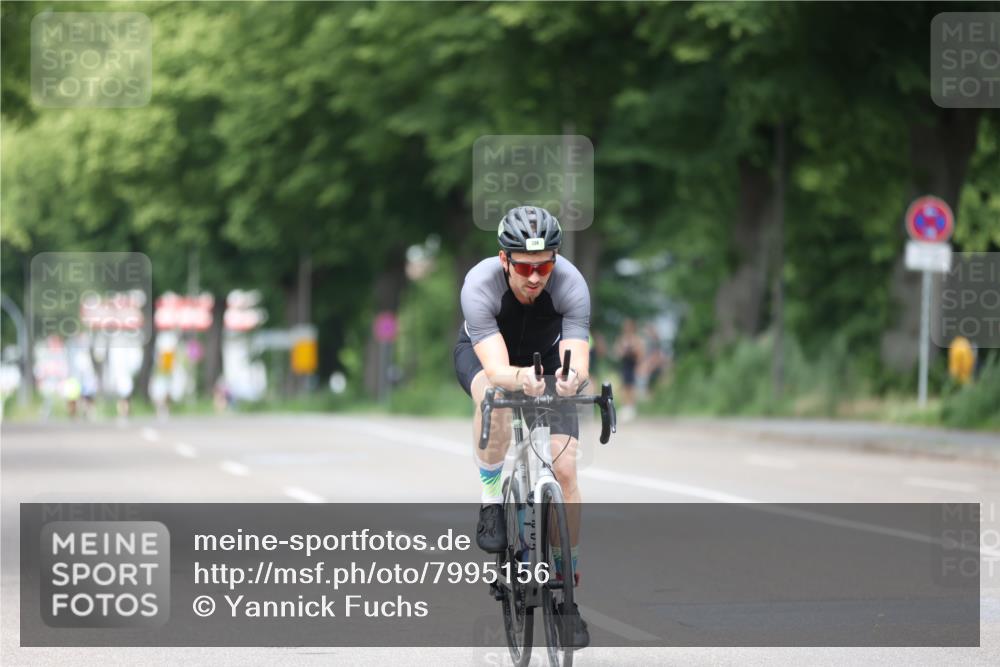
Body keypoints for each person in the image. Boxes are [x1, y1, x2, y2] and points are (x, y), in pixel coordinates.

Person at [453, 205, 591, 647]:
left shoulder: (571, 284)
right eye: (525, 267)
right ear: (504, 259)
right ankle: (491, 499)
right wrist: (521, 381)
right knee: (493, 399)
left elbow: (578, 359)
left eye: (544, 266)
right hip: (487, 357)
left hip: (545, 358)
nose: (535, 277)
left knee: (565, 469)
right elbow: (497, 370)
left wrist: (570, 381)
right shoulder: (480, 285)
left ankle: (566, 586)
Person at [613, 318, 643, 420]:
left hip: (632, 365)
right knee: (624, 386)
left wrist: (632, 351)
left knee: (631, 386)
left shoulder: (636, 339)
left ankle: (631, 407)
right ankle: (625, 407)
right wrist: (623, 351)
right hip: (624, 365)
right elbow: (617, 352)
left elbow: (640, 353)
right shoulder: (622, 339)